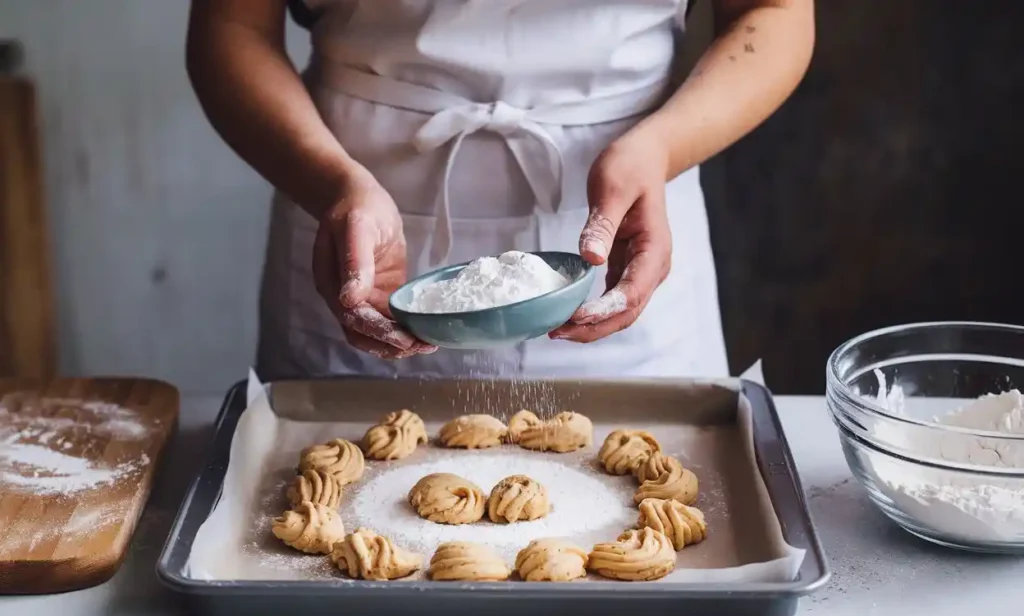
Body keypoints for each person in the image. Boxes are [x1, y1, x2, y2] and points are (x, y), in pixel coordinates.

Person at [186, 0, 814, 380]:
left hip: (625, 214)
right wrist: (329, 183)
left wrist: (663, 149)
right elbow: (232, 27)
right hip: (358, 219)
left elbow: (775, 13)